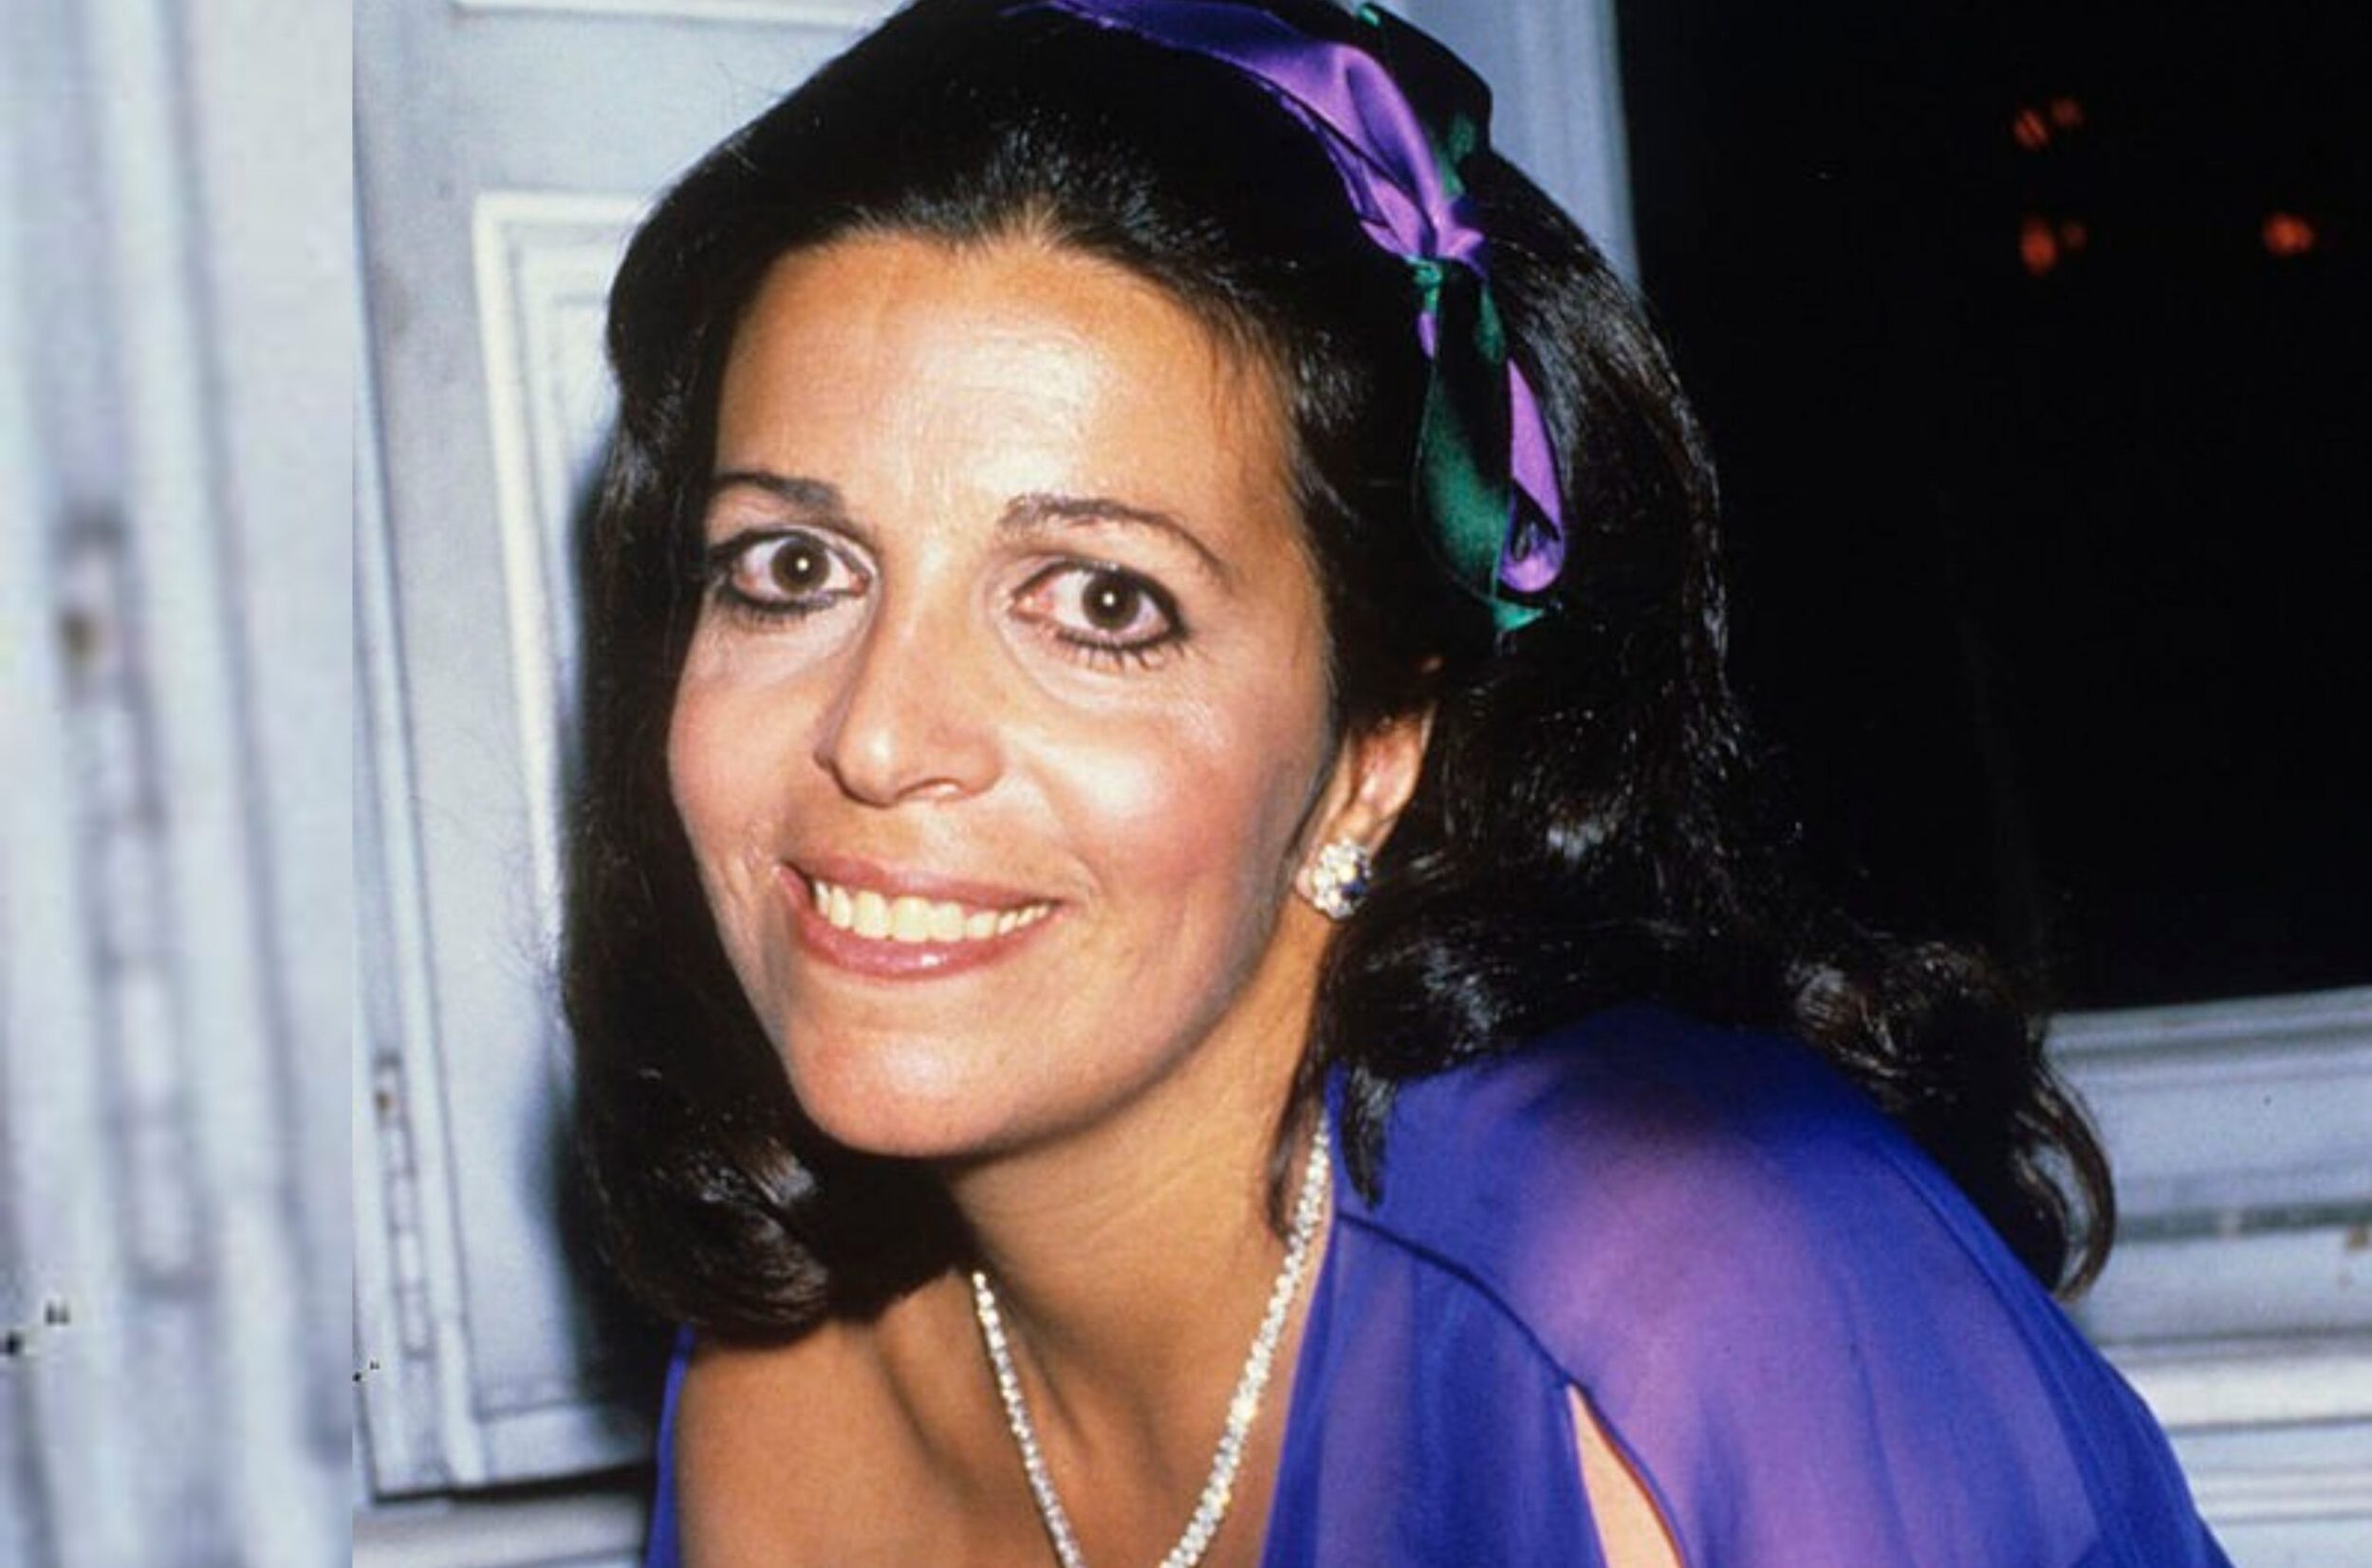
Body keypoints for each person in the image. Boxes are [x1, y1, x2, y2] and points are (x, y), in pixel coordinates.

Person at [564, 1, 2233, 1562]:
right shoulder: (780, 1402)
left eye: (1100, 603)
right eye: (789, 568)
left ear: (1380, 745)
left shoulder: (1696, 1316)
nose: (877, 736)